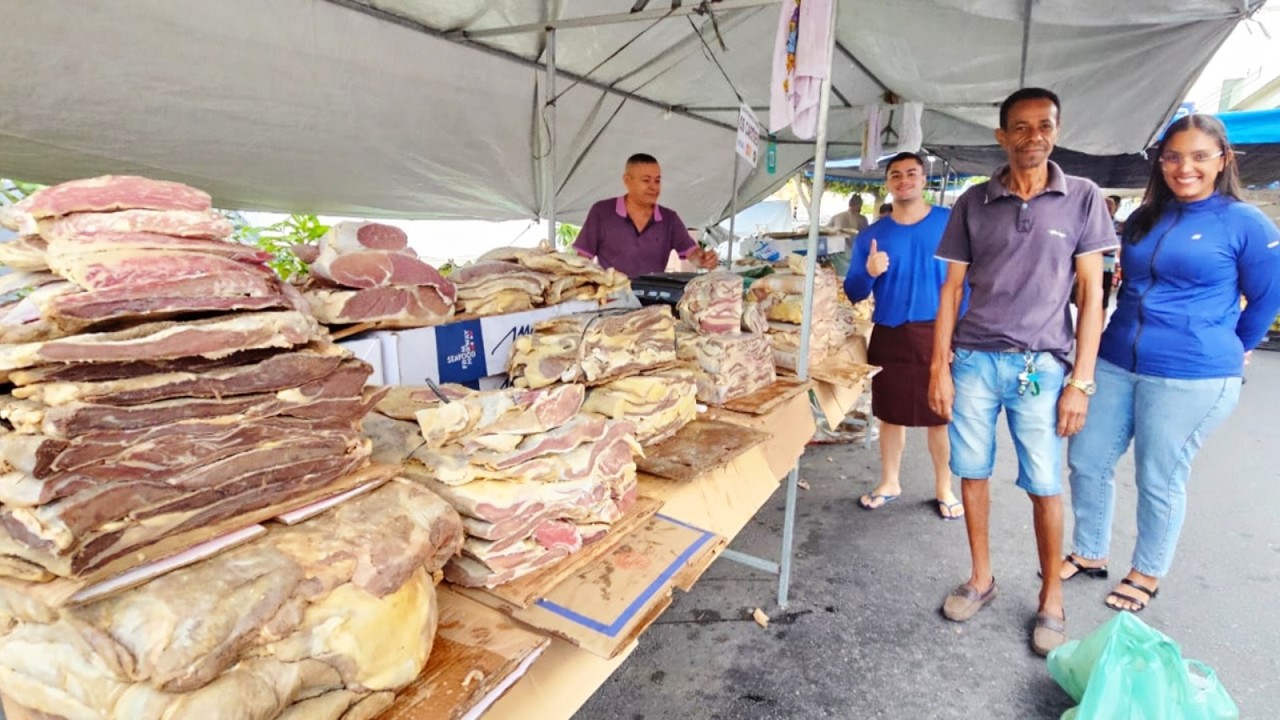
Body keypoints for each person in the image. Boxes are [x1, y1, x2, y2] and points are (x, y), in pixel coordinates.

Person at [1060, 114, 1280, 613]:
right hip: (1117, 359)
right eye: (1175, 156)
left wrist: (1230, 348)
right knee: (1086, 459)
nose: (1186, 167)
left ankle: (1146, 572)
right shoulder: (1144, 218)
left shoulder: (1244, 222)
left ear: (1223, 160)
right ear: (1161, 162)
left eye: (1201, 156)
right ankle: (1090, 552)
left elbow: (1266, 299)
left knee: (1158, 476)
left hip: (1192, 373)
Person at [927, 88, 1117, 656]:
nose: (1034, 136)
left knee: (1044, 482)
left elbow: (1091, 293)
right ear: (1002, 135)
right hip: (975, 361)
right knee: (972, 470)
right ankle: (981, 578)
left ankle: (1051, 597)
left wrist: (1081, 381)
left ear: (1056, 130)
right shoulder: (973, 202)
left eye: (1045, 125)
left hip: (1042, 365)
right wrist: (940, 369)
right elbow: (952, 289)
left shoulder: (1082, 197)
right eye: (1021, 127)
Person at [843, 152, 964, 520]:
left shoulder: (949, 223)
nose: (904, 180)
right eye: (896, 174)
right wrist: (868, 271)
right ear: (888, 183)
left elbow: (967, 284)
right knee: (890, 414)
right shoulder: (872, 236)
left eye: (912, 173)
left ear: (924, 180)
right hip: (891, 331)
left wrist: (959, 335)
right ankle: (890, 481)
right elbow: (854, 292)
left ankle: (944, 486)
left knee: (939, 414)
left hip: (938, 331)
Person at [573, 153, 718, 278]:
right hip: (611, 299)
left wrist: (703, 260)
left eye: (657, 180)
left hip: (652, 299)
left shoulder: (669, 219)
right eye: (646, 180)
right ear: (627, 181)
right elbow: (583, 259)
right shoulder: (602, 211)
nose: (653, 187)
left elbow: (691, 252)